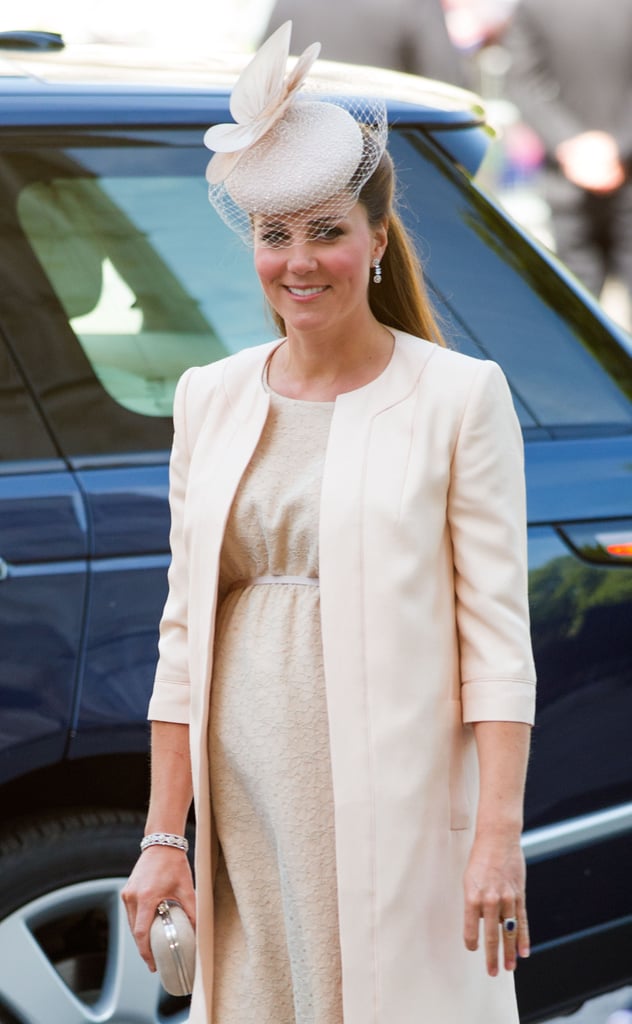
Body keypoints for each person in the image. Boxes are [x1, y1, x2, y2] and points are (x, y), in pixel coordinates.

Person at [122, 20, 536, 1024]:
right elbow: (185, 632)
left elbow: (495, 637)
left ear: (376, 242)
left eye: (326, 231)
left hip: (397, 805)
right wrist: (162, 835)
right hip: (247, 802)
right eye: (275, 234)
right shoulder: (207, 396)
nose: (298, 261)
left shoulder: (457, 395)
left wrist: (494, 833)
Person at [503, 0, 632, 303]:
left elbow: (521, 82)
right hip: (597, 170)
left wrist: (571, 143)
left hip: (571, 174)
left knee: (580, 311)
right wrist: (614, 145)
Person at [261, 0, 465, 84]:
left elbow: (262, 80)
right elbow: (447, 86)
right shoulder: (414, 4)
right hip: (388, 161)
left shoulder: (288, 4)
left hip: (300, 159)